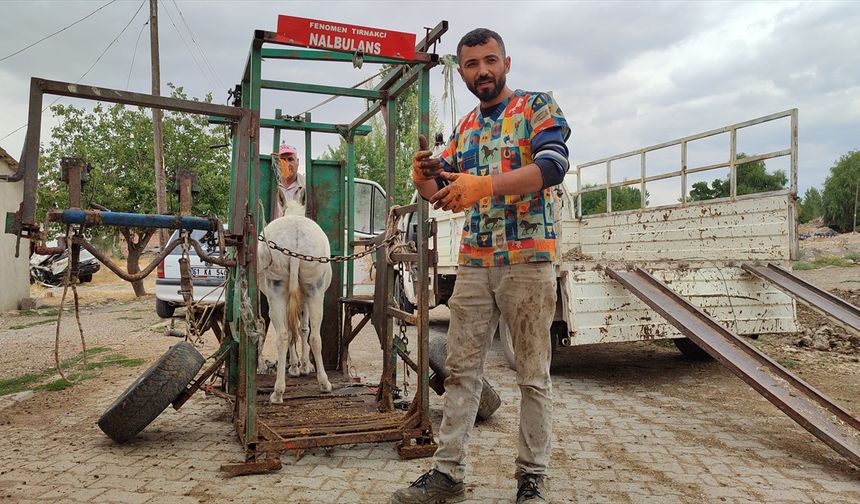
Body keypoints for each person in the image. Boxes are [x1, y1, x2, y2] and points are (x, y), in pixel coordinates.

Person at [391, 28, 570, 504]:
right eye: (472, 65)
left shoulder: (536, 108)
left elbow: (553, 166)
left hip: (529, 261)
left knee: (533, 374)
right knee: (461, 370)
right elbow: (442, 193)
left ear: (506, 63)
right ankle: (448, 473)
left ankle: (531, 479)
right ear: (463, 70)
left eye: (490, 61)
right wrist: (424, 176)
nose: (482, 71)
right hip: (474, 263)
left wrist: (484, 186)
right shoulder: (467, 126)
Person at [273, 142, 306, 217]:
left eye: (290, 159)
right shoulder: (269, 186)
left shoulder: (306, 186)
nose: (287, 164)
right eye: (282, 160)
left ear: (297, 162)